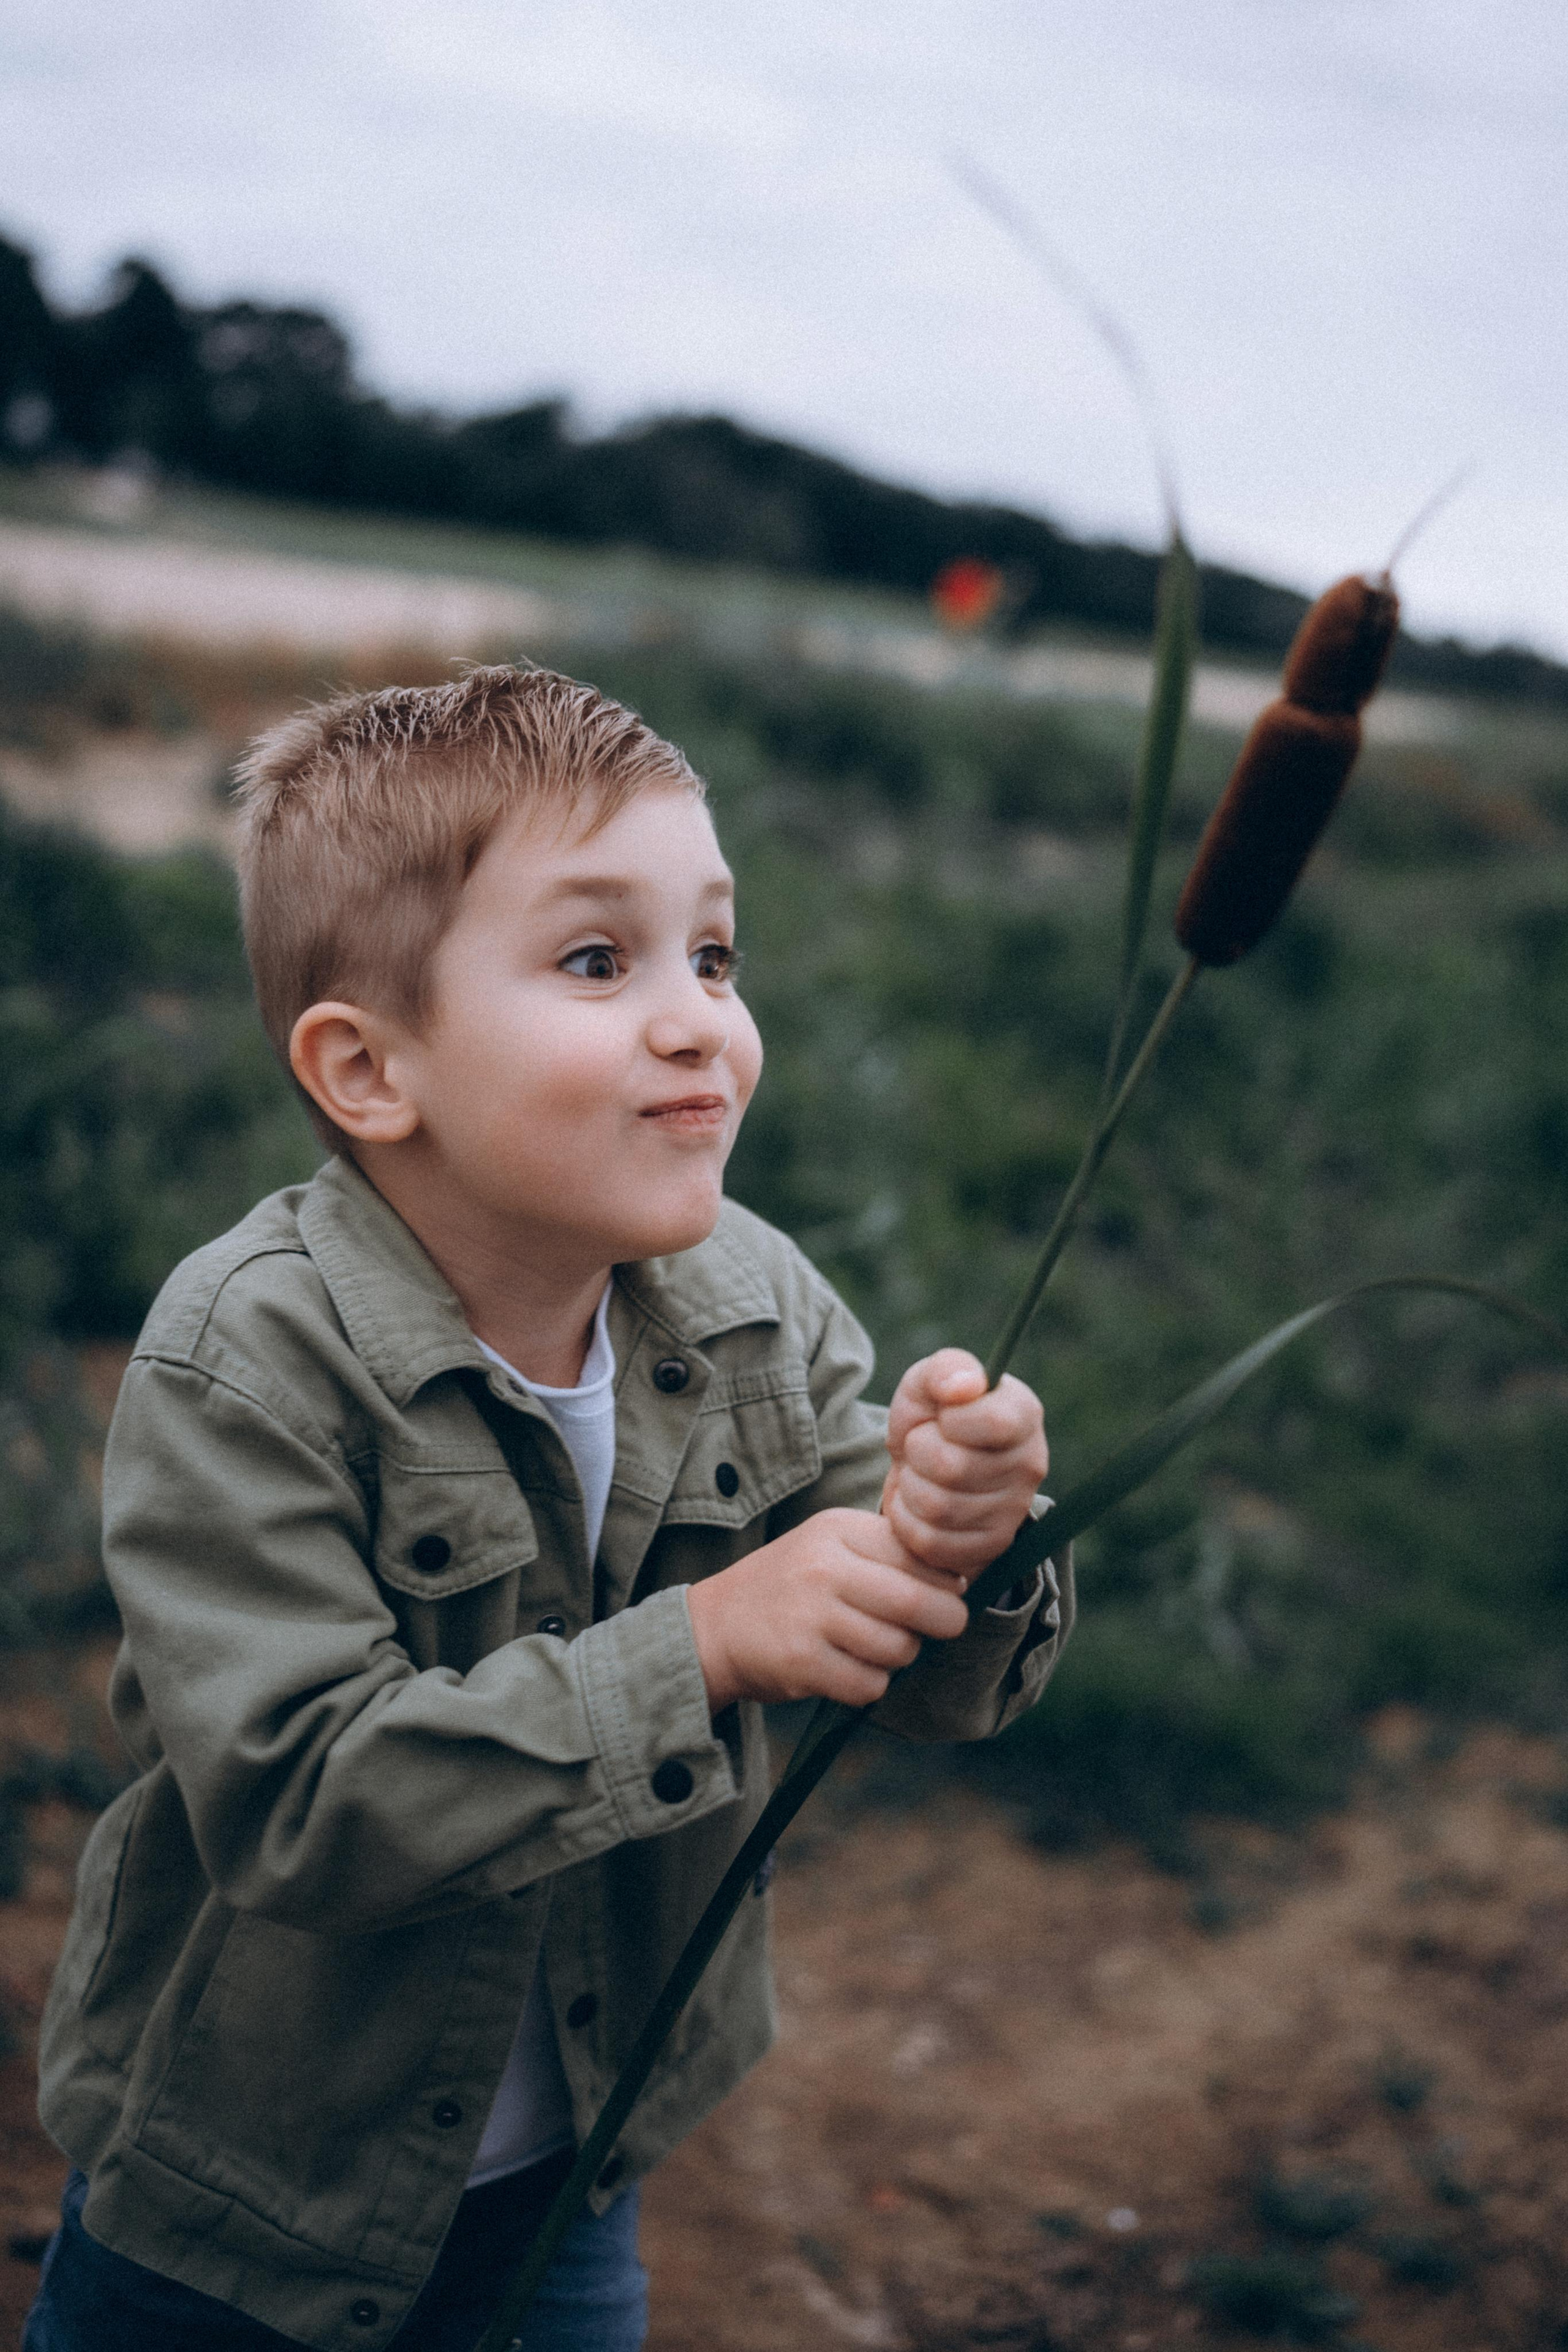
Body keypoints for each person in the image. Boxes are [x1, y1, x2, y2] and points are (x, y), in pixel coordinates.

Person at [26, 666, 1072, 2352]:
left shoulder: (755, 1299)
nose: (697, 1020)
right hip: (242, 2215)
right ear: (371, 1070)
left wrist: (963, 1530)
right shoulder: (245, 1365)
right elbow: (305, 1805)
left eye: (713, 956)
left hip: (565, 2178)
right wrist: (710, 1642)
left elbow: (925, 1676)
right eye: (600, 960)